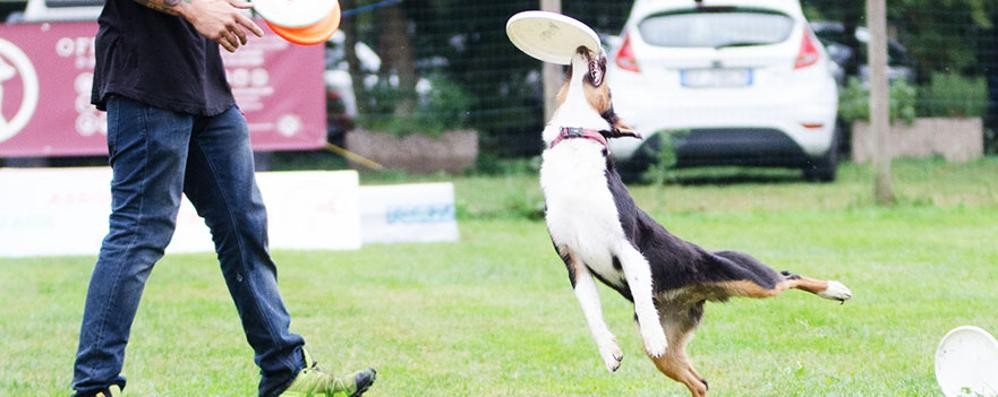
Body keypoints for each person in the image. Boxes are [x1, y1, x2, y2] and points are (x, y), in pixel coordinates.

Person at [70, 0, 376, 396]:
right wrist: (191, 7)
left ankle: (285, 373)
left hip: (206, 89)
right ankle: (95, 384)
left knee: (244, 226)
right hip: (145, 81)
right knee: (140, 232)